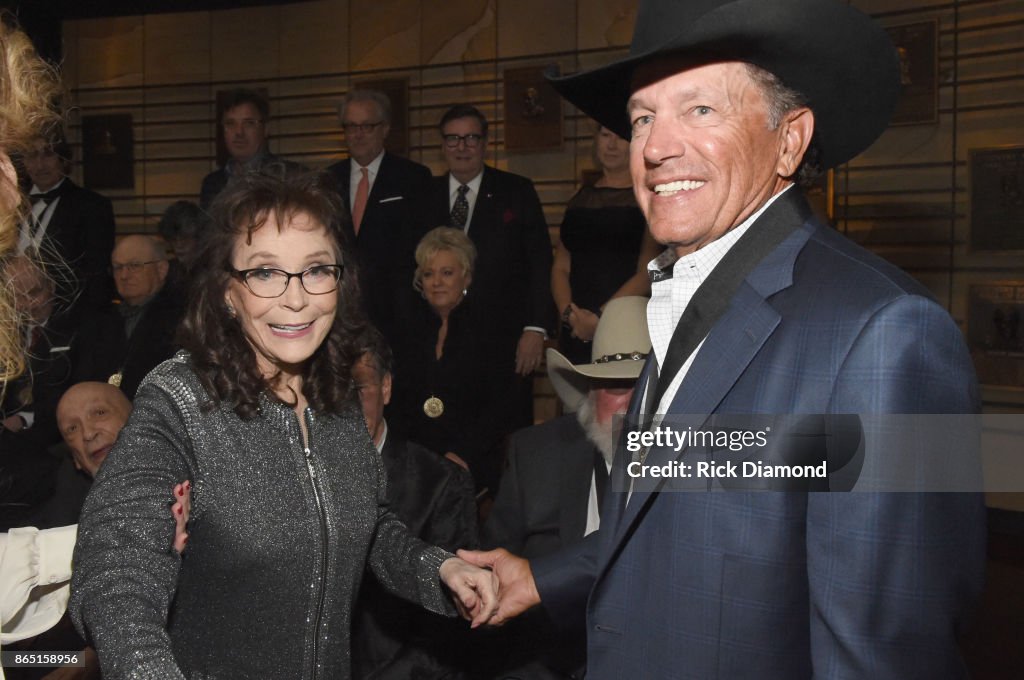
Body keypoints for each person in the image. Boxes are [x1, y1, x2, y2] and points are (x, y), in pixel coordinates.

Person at [460, 1, 986, 678]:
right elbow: (679, 513)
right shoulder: (687, 297)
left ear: (789, 140)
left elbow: (885, 649)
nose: (654, 146)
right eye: (643, 116)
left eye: (699, 109)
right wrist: (541, 579)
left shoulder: (885, 338)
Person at [69, 169, 497, 680]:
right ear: (228, 291)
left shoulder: (335, 397)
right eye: (265, 273)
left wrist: (443, 570)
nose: (296, 298)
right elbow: (115, 570)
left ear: (340, 280)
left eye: (316, 270)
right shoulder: (181, 398)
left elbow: (367, 523)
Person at [478, 296, 651, 679]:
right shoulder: (536, 455)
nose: (634, 407)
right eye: (618, 386)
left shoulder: (705, 459)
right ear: (590, 392)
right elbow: (495, 586)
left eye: (647, 388)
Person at [350, 325, 478, 679]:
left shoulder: (440, 484)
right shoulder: (297, 475)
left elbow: (451, 629)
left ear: (385, 387)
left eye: (358, 389)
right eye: (331, 391)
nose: (344, 405)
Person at [428, 104, 555, 429]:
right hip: (440, 345)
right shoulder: (422, 195)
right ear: (442, 145)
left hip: (506, 343)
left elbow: (541, 262)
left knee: (506, 436)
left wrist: (536, 329)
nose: (462, 147)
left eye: (471, 138)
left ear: (485, 142)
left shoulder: (517, 191)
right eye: (453, 139)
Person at [390, 226, 518, 497]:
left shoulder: (491, 330)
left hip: (472, 458)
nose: (437, 282)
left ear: (466, 277)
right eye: (428, 274)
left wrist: (463, 454)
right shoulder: (405, 331)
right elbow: (396, 405)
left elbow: (501, 406)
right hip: (414, 458)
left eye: (447, 273)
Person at [325, 89, 432, 343]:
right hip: (340, 317)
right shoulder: (327, 180)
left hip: (398, 316)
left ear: (385, 128)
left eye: (367, 126)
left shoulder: (413, 178)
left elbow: (423, 249)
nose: (358, 134)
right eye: (351, 126)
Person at [551, 125, 660, 364]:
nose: (611, 145)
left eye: (621, 136)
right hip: (575, 327)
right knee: (577, 401)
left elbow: (647, 272)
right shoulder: (579, 199)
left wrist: (601, 318)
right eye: (605, 135)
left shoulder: (649, 198)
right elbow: (561, 267)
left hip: (624, 323)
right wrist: (570, 315)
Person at [0, 255, 75, 531]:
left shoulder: (77, 329)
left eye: (34, 292)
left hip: (51, 446)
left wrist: (24, 419)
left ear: (51, 287)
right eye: (17, 296)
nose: (27, 304)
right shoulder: (8, 331)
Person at [70, 235, 184, 398]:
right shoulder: (99, 321)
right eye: (117, 267)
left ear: (161, 269)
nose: (124, 275)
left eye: (134, 266)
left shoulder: (182, 319)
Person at [17, 133, 116, 312]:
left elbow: (95, 273)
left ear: (63, 160)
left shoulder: (92, 206)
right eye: (32, 155)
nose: (40, 164)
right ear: (24, 162)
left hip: (67, 316)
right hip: (12, 317)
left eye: (48, 154)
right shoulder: (10, 205)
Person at [198, 89, 301, 209]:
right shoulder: (212, 184)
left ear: (266, 129)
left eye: (249, 123)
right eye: (230, 124)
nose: (239, 132)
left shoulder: (291, 176)